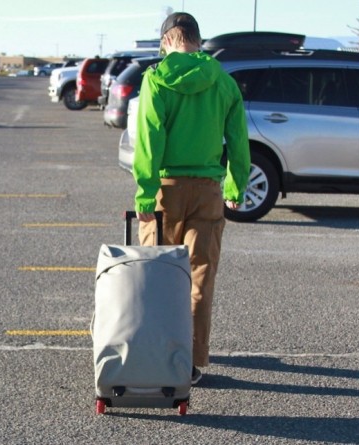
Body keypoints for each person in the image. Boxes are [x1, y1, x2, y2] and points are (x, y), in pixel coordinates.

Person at [132, 12, 250, 385]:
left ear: (167, 41)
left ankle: (155, 352)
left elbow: (150, 140)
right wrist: (235, 187)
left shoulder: (156, 79)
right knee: (200, 276)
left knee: (157, 275)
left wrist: (145, 194)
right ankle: (194, 361)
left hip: (167, 190)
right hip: (208, 191)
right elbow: (238, 141)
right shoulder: (225, 83)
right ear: (199, 41)